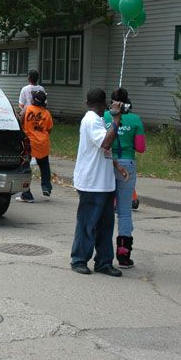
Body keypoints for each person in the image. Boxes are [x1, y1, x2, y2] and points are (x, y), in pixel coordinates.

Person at [70, 88, 130, 277]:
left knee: (105, 226)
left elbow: (104, 150)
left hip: (104, 182)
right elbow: (105, 143)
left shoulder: (99, 121)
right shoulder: (90, 120)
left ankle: (104, 261)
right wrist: (117, 121)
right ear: (104, 105)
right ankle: (79, 259)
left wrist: (117, 165)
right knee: (87, 224)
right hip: (92, 182)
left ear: (87, 103)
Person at [103, 87, 146, 268]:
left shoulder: (104, 117)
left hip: (107, 163)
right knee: (125, 212)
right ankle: (123, 253)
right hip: (127, 164)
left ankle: (102, 251)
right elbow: (141, 147)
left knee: (104, 209)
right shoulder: (135, 120)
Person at [16, 90, 53, 203]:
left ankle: (27, 194)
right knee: (44, 165)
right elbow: (49, 129)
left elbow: (19, 122)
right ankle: (46, 187)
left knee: (25, 166)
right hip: (43, 143)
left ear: (32, 100)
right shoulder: (47, 113)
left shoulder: (26, 110)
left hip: (29, 143)